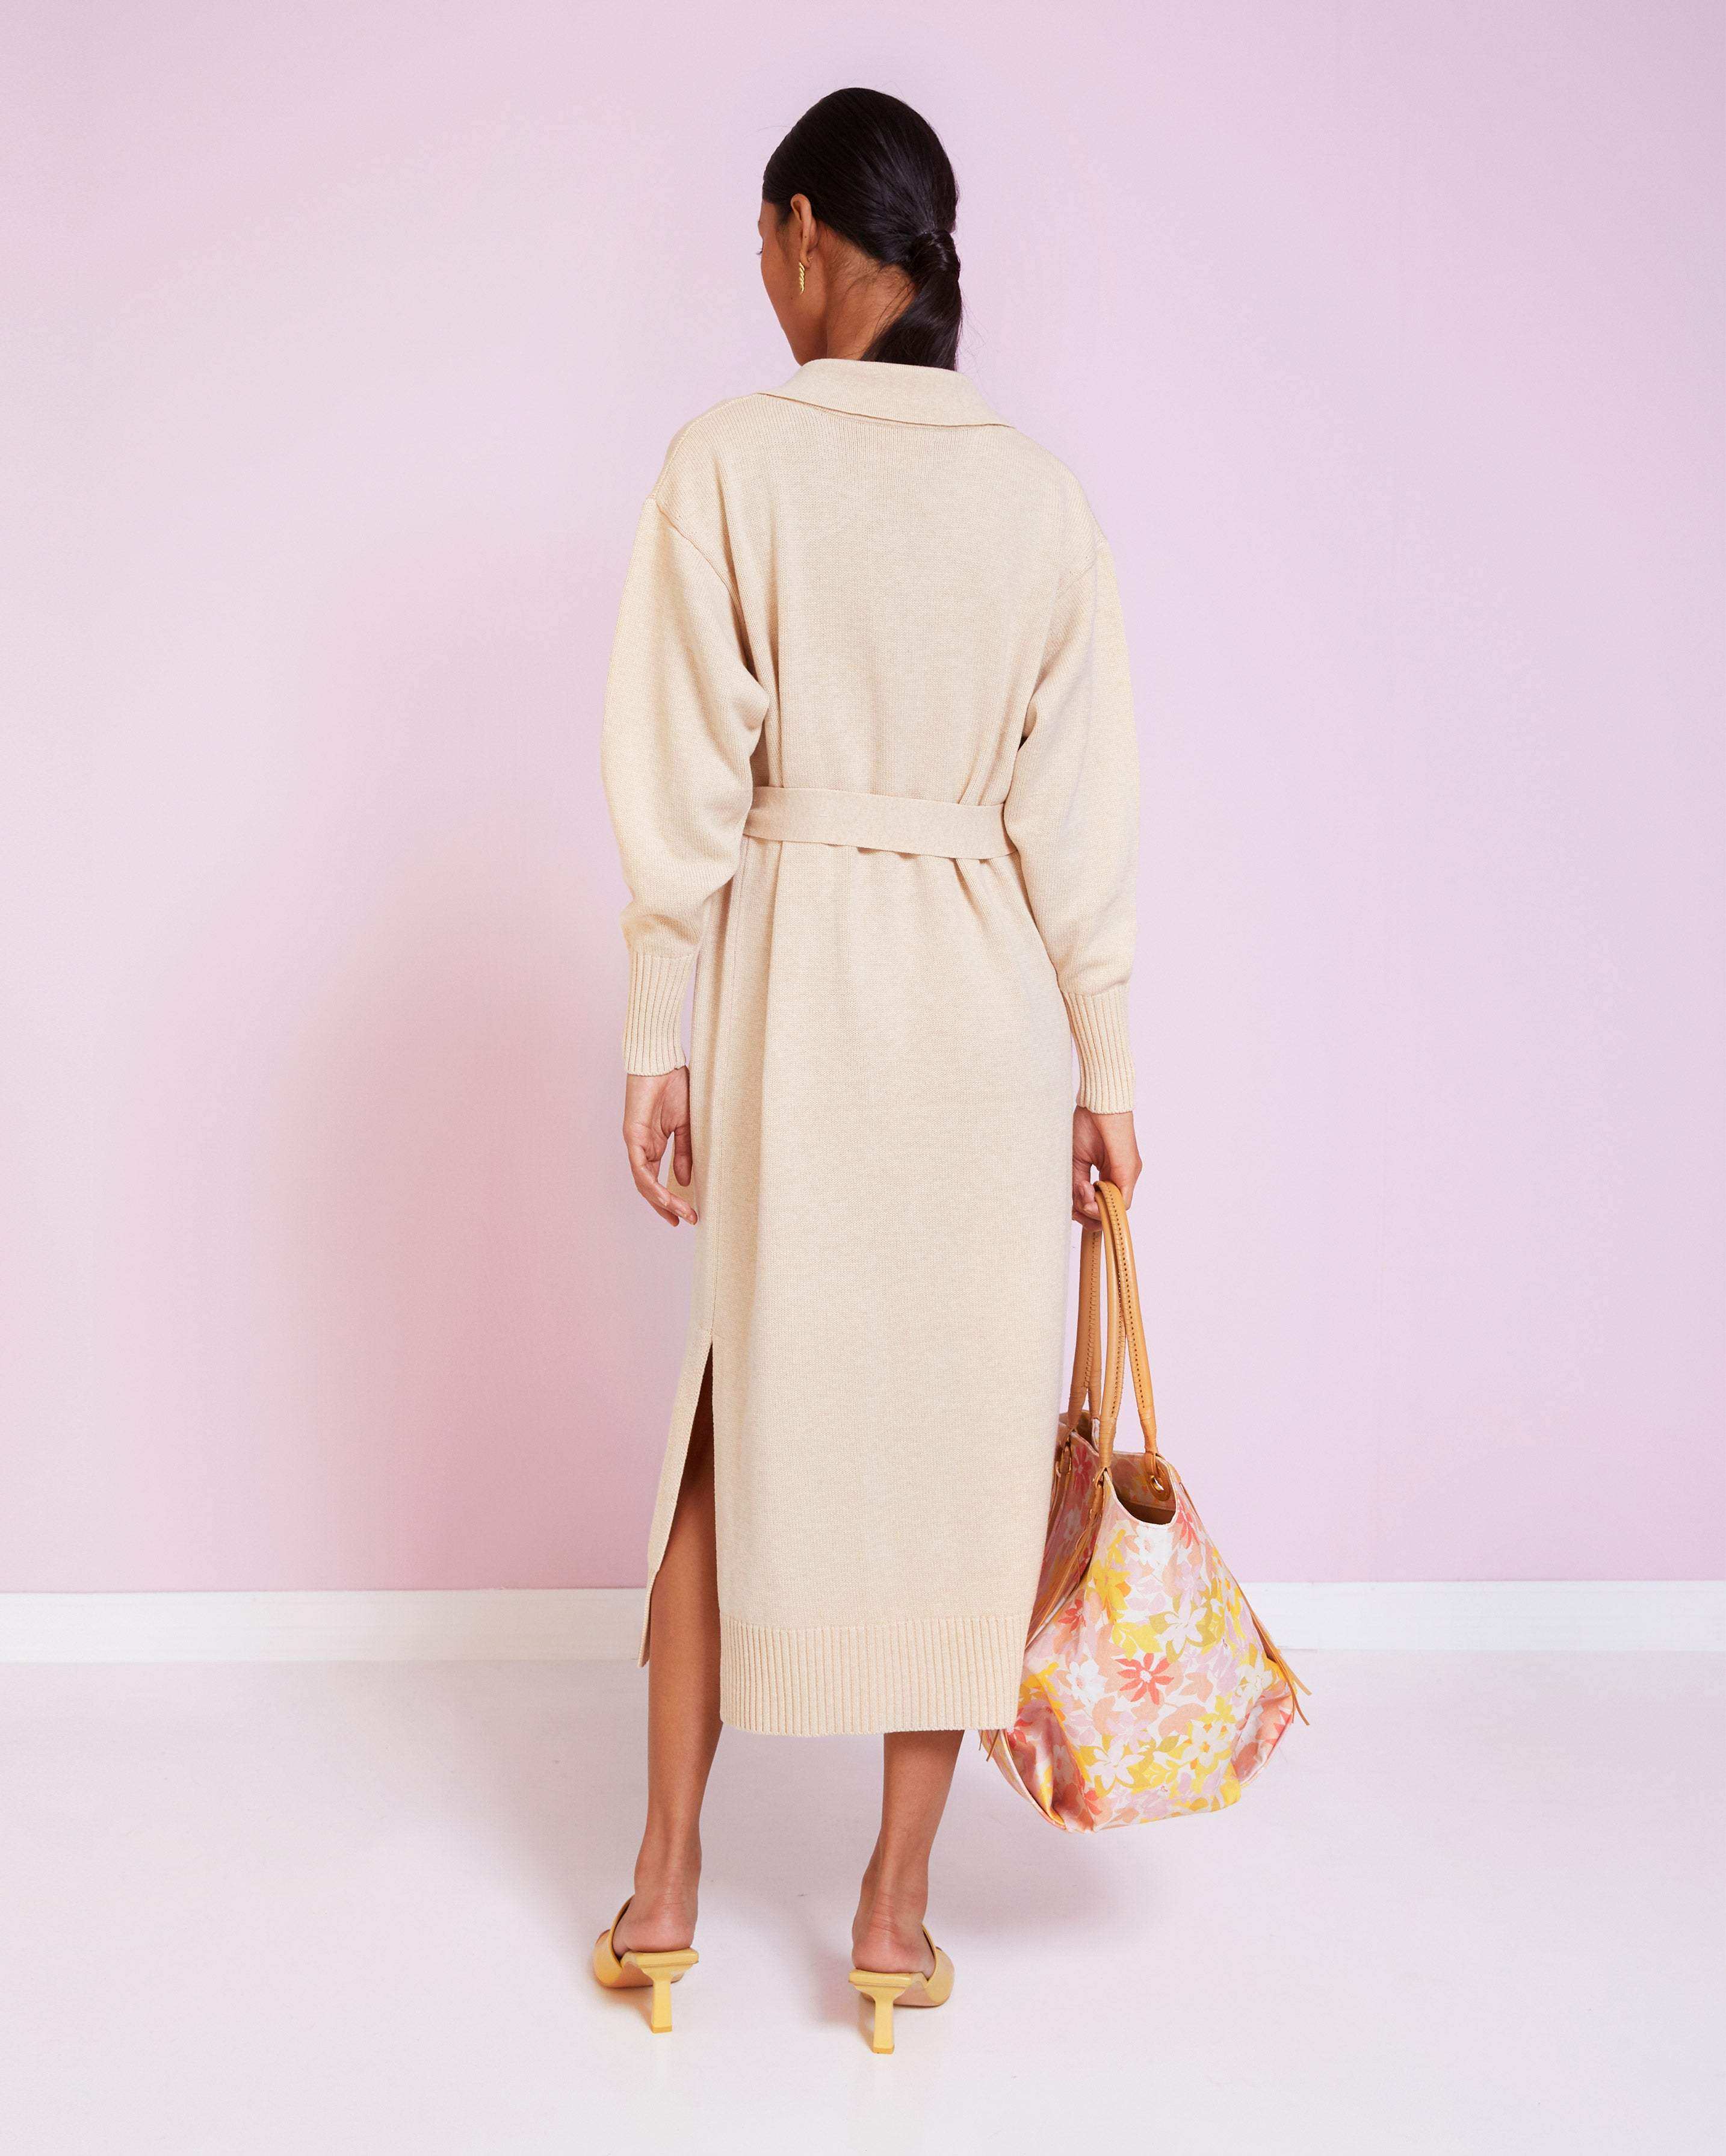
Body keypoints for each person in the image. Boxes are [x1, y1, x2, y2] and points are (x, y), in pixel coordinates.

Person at [595, 85, 1141, 2048]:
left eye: (762, 240)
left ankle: (665, 1889)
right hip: (985, 1017)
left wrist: (654, 1032)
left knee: (730, 1422)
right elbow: (1079, 820)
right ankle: (893, 1922)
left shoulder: (731, 461)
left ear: (808, 229)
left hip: (797, 996)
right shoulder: (1041, 498)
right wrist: (1103, 1071)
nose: (759, 275)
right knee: (959, 1458)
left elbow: (680, 783)